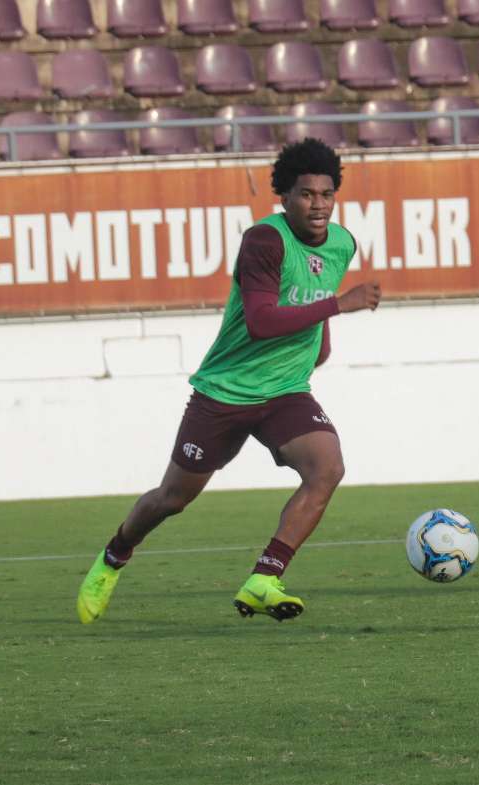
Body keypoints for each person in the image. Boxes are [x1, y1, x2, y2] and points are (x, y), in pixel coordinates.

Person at [76, 138, 381, 624]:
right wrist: (338, 306)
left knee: (327, 468)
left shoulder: (342, 244)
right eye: (306, 194)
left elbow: (314, 296)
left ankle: (264, 578)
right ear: (284, 196)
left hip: (284, 391)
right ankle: (114, 555)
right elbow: (260, 321)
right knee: (172, 499)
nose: (318, 205)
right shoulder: (265, 241)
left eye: (327, 194)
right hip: (225, 392)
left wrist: (321, 340)